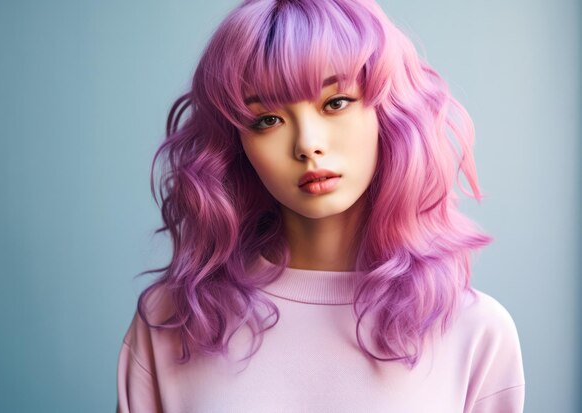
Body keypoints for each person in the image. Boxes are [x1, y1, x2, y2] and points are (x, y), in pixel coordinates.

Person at [116, 0, 525, 411]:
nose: (307, 144)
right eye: (267, 120)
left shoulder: (476, 333)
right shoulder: (172, 322)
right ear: (237, 146)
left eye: (336, 103)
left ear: (389, 113)